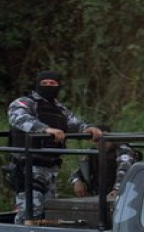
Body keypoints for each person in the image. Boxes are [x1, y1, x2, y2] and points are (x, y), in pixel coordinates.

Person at [7, 70, 103, 224]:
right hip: (28, 167)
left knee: (48, 214)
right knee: (30, 212)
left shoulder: (59, 108)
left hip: (50, 168)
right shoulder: (25, 102)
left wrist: (89, 128)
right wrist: (44, 129)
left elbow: (74, 123)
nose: (48, 86)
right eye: (44, 83)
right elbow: (18, 117)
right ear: (37, 85)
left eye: (52, 83)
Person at [69, 126, 140, 200]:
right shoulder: (93, 153)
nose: (100, 143)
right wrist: (77, 181)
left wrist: (117, 190)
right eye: (97, 140)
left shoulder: (123, 150)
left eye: (104, 139)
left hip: (122, 195)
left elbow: (124, 170)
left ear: (110, 138)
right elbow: (77, 172)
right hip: (97, 195)